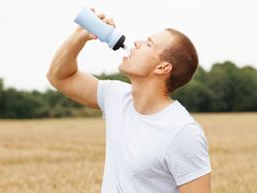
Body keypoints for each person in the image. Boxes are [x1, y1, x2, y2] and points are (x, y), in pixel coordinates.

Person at [47, 8, 212, 193]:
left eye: (149, 44)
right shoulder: (116, 97)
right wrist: (80, 35)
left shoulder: (182, 132)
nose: (137, 42)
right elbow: (59, 77)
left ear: (162, 67)